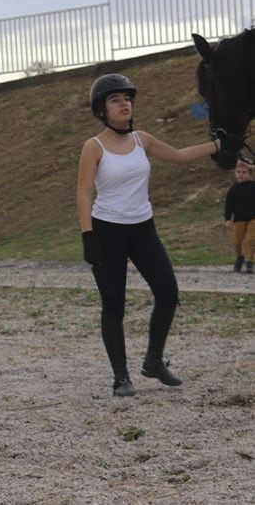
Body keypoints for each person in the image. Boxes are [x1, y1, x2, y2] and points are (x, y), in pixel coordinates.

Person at [77, 73, 222, 398]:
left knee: (168, 293)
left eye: (127, 98)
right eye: (115, 99)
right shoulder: (94, 146)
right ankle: (121, 377)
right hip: (107, 230)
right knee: (114, 304)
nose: (124, 103)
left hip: (143, 228)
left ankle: (153, 362)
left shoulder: (142, 139)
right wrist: (88, 235)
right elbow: (84, 193)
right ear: (102, 109)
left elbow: (181, 156)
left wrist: (218, 144)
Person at [223, 160, 255, 273]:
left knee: (250, 240)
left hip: (253, 218)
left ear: (250, 174)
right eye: (238, 172)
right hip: (239, 219)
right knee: (237, 241)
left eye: (244, 172)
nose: (241, 174)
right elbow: (229, 206)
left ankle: (250, 261)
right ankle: (240, 257)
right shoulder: (233, 190)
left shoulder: (253, 187)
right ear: (235, 173)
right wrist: (227, 219)